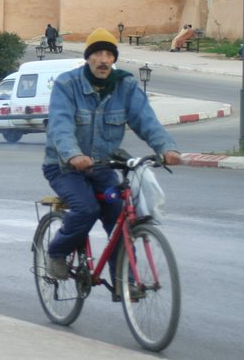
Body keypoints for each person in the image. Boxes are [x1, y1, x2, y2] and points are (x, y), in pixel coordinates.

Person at [42, 28, 181, 281]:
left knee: (119, 215)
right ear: (88, 58)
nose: (103, 59)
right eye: (98, 54)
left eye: (109, 54)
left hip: (102, 167)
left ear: (114, 59)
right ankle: (57, 252)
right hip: (64, 167)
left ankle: (127, 283)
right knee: (86, 209)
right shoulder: (67, 84)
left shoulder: (125, 85)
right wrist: (73, 154)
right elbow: (60, 125)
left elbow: (145, 119)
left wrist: (166, 148)